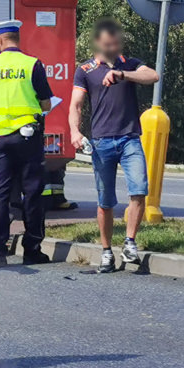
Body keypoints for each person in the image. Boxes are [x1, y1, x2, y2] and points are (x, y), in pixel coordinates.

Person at [69, 18, 159, 273]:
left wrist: (123, 75)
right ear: (98, 43)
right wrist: (75, 131)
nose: (114, 47)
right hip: (101, 142)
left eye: (117, 43)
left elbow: (153, 75)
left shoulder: (129, 65)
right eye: (109, 43)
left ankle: (129, 242)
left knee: (139, 190)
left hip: (130, 138)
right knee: (105, 201)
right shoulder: (85, 70)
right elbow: (75, 104)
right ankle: (106, 251)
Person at [0, 20, 53, 268]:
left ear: (0, 41)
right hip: (27, 138)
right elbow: (46, 102)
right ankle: (32, 249)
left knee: (0, 195)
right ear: (17, 40)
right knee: (32, 193)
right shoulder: (32, 64)